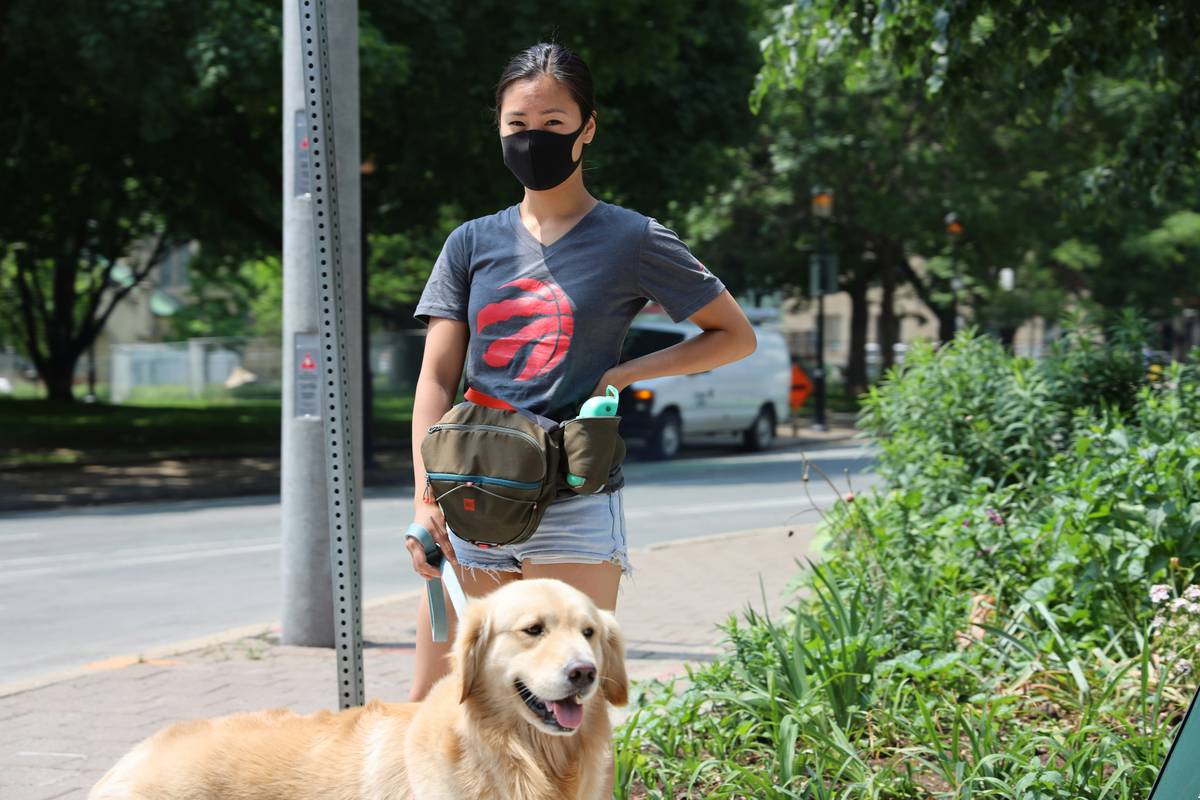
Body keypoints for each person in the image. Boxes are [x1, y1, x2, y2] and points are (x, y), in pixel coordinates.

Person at [404, 39, 756, 789]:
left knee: (573, 720)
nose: (533, 138)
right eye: (517, 123)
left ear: (587, 128)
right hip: (473, 496)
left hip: (572, 501)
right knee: (441, 710)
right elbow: (437, 375)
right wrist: (424, 495)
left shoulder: (631, 238)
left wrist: (625, 371)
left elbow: (733, 334)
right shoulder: (471, 243)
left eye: (552, 120)